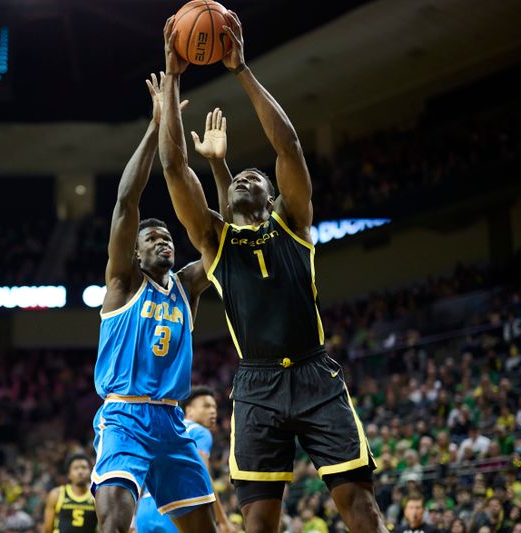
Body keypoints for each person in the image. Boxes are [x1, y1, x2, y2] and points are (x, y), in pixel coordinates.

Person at [157, 11, 388, 533]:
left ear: (272, 195)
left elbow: (289, 147)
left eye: (254, 176)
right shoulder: (215, 241)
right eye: (237, 176)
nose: (243, 178)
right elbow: (174, 167)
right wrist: (172, 78)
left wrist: (242, 70)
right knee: (259, 522)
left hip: (315, 373)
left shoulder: (294, 223)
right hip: (257, 385)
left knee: (362, 508)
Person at [90, 73, 217, 533]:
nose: (163, 241)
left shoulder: (188, 285)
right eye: (152, 238)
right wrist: (156, 125)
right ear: (136, 252)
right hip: (124, 415)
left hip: (171, 420)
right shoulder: (123, 282)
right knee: (114, 524)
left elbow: (221, 244)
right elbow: (126, 202)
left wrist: (214, 168)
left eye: (167, 237)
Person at [135, 386, 237, 533]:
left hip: (145, 511)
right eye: (206, 406)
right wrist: (222, 520)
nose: (213, 411)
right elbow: (204, 475)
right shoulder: (200, 432)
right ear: (189, 410)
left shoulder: (167, 429)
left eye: (214, 407)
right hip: (177, 507)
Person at [42, 454, 98, 533]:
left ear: (90, 472)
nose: (80, 471)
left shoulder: (97, 495)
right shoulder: (56, 494)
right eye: (75, 468)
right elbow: (47, 529)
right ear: (69, 474)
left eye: (84, 467)